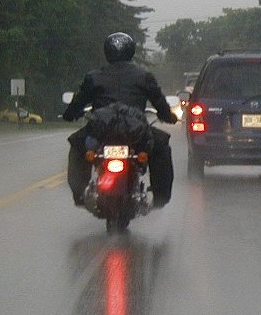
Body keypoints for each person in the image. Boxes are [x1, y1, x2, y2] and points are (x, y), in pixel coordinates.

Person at [62, 32, 178, 208]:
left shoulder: (94, 76)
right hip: (135, 133)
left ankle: (79, 193)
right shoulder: (144, 76)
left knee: (77, 145)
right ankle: (161, 197)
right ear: (131, 51)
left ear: (107, 51)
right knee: (161, 146)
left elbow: (78, 102)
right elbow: (160, 103)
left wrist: (70, 114)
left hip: (100, 131)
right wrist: (168, 116)